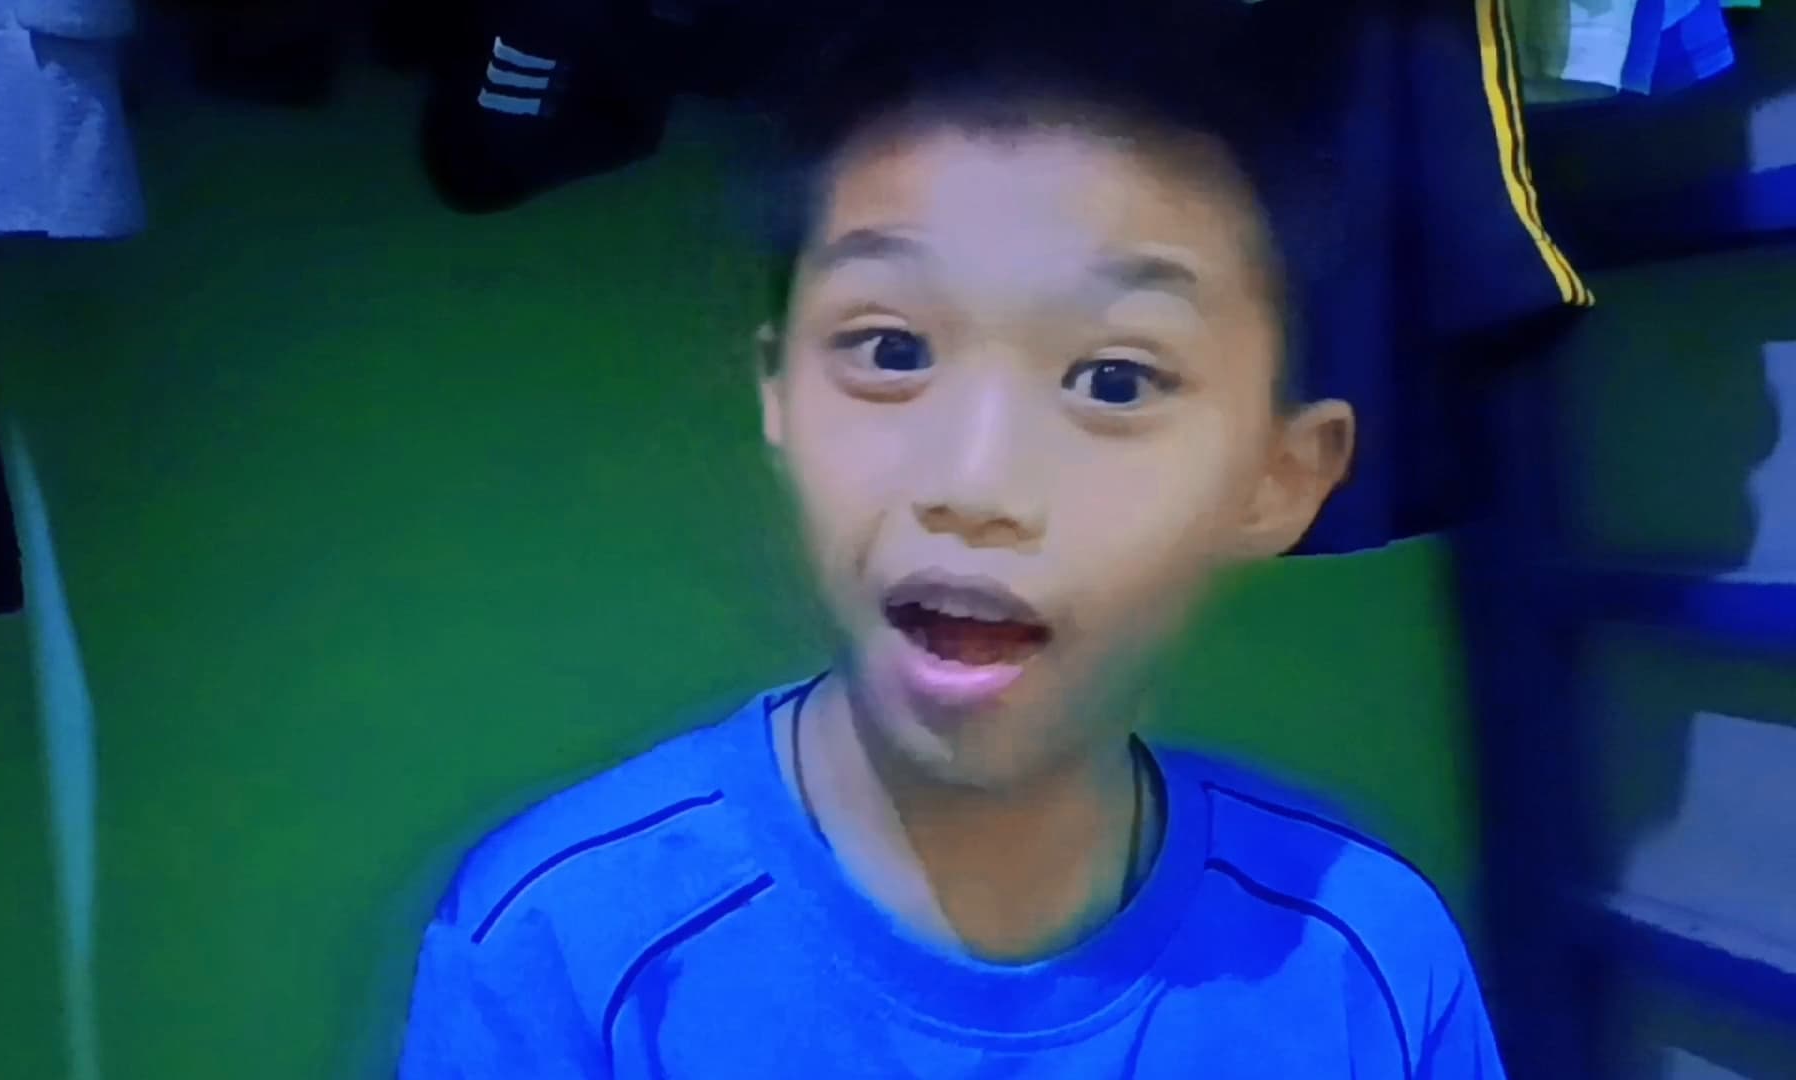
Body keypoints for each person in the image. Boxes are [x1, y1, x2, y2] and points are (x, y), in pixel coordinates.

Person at [397, 2, 1506, 1075]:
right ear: (778, 391)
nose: (976, 485)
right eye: (891, 351)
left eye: (1114, 380)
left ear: (1279, 479)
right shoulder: (567, 949)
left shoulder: (1365, 965)